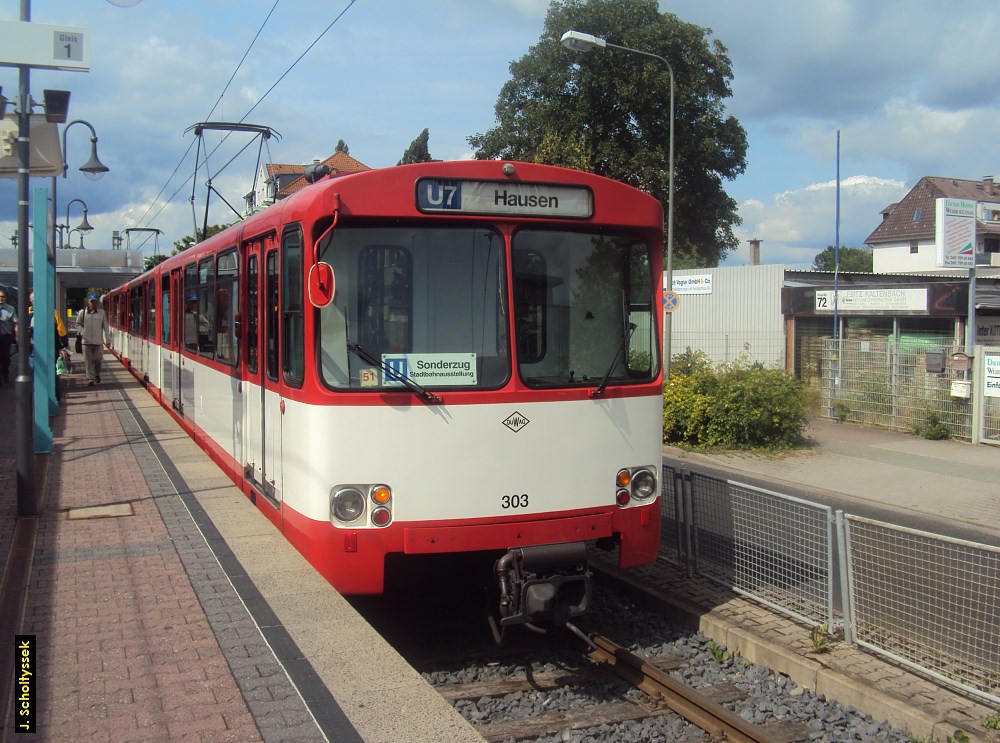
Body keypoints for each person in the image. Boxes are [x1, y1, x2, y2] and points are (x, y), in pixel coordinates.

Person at [76, 294, 110, 386]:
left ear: (97, 302)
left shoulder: (102, 313)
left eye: (94, 301)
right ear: (88, 302)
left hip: (98, 341)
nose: (93, 303)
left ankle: (97, 374)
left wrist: (108, 339)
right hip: (86, 342)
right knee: (88, 361)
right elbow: (77, 324)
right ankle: (90, 379)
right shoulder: (82, 313)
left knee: (98, 359)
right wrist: (82, 332)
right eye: (91, 301)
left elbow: (105, 327)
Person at [0, 290, 17, 385]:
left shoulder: (10, 309)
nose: (1, 298)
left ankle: (6, 375)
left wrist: (17, 337)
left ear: (6, 298)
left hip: (5, 337)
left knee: (5, 358)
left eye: (2, 296)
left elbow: (16, 324)